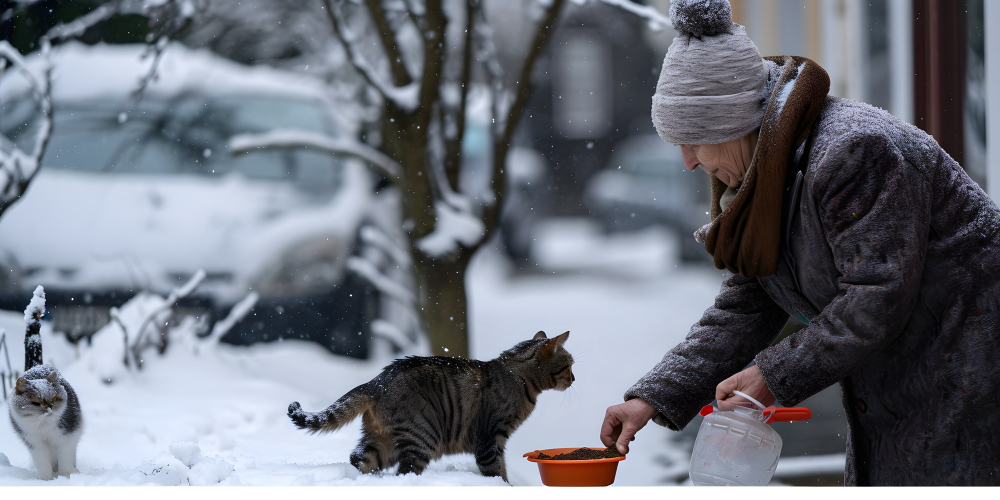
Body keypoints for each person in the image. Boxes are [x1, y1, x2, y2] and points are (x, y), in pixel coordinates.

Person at [600, 0, 1000, 486]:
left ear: (734, 124)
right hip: (905, 389)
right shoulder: (764, 180)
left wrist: (772, 374)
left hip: (973, 379)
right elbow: (750, 302)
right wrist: (653, 397)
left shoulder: (854, 153)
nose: (687, 162)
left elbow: (878, 296)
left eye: (694, 140)